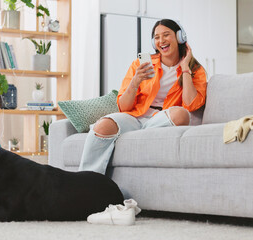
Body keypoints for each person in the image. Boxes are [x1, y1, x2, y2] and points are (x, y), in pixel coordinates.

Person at [79, 19, 207, 174]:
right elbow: (124, 107)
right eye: (157, 37)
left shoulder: (195, 69)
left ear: (180, 37)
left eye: (166, 35)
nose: (161, 41)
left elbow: (192, 104)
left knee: (181, 114)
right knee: (103, 125)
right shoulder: (140, 65)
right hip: (135, 118)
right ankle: (86, 180)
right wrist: (135, 81)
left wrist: (185, 67)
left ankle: (138, 135)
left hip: (162, 120)